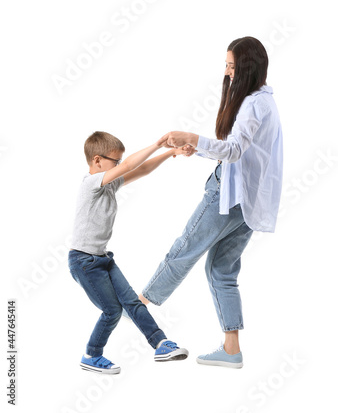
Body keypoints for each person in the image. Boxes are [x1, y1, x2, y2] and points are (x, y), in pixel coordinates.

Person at [138, 36, 283, 368]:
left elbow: (233, 152)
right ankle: (231, 349)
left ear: (248, 68)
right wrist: (199, 148)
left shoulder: (252, 105)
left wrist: (192, 138)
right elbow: (241, 153)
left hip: (228, 197)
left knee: (185, 247)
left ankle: (139, 305)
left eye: (232, 66)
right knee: (221, 269)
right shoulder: (265, 101)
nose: (228, 73)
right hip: (247, 203)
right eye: (227, 66)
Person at [68, 131, 189, 374]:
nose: (121, 166)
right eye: (116, 162)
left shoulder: (109, 184)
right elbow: (134, 163)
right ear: (97, 160)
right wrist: (156, 144)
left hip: (103, 259)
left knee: (132, 301)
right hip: (84, 261)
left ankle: (160, 344)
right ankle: (91, 355)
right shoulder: (90, 183)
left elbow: (141, 170)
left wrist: (170, 153)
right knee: (112, 310)